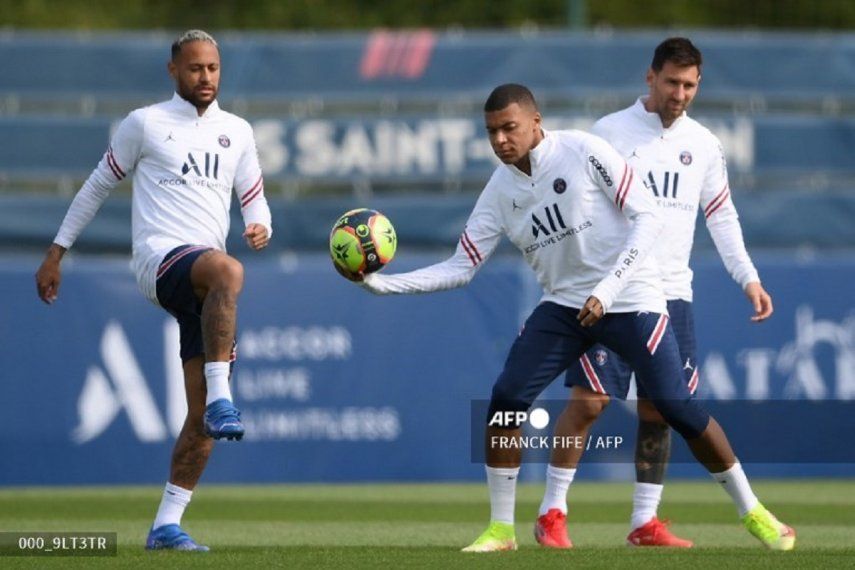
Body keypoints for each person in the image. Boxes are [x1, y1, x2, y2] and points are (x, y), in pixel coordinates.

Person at [336, 83, 794, 553]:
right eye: (491, 131)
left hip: (631, 296)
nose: (500, 140)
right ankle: (500, 530)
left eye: (509, 128)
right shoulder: (498, 191)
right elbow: (461, 267)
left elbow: (649, 217)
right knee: (506, 399)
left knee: (675, 406)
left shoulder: (583, 150)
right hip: (564, 306)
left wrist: (608, 288)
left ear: (536, 122)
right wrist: (380, 284)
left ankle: (752, 511)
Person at [533, 37, 775, 550]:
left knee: (659, 410)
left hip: (672, 294)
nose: (680, 93)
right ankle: (551, 510)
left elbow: (722, 215)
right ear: (651, 77)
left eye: (689, 85)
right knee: (591, 400)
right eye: (671, 82)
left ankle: (645, 521)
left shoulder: (705, 145)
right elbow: (578, 210)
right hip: (615, 292)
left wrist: (748, 277)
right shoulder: (611, 133)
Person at [35, 29, 272, 552]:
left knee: (201, 419)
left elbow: (254, 199)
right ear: (173, 71)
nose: (205, 77)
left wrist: (261, 226)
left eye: (212, 68)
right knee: (230, 273)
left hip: (204, 282)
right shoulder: (145, 123)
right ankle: (225, 397)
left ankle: (167, 524)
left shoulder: (238, 131)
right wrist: (57, 250)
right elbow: (98, 184)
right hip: (160, 260)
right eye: (195, 68)